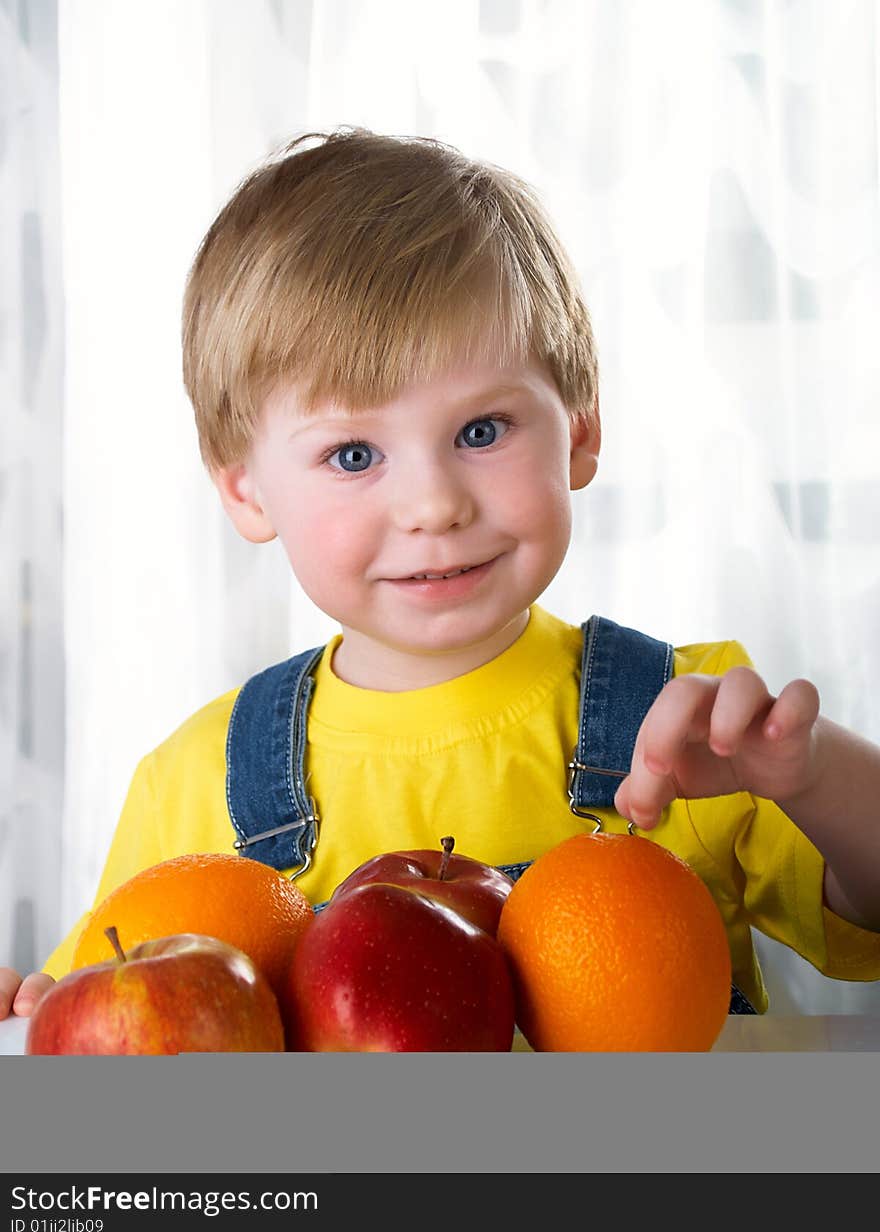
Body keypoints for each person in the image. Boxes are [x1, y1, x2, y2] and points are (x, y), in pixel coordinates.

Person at [3, 127, 879, 1023]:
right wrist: (33, 1008)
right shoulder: (190, 785)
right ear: (245, 489)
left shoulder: (694, 723)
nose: (433, 504)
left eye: (482, 430)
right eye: (353, 453)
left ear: (578, 429)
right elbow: (97, 1019)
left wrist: (810, 776)